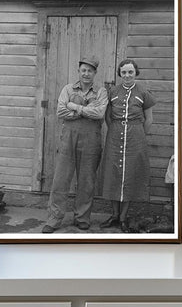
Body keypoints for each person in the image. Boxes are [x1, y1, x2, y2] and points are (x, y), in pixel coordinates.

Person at [42, 56, 108, 234]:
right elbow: (61, 110)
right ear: (79, 72)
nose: (86, 74)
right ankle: (54, 219)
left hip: (91, 140)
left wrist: (75, 107)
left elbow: (100, 113)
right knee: (60, 180)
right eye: (83, 70)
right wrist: (85, 111)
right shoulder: (67, 89)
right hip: (68, 138)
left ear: (95, 73)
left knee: (87, 181)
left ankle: (82, 218)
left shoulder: (101, 92)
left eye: (90, 71)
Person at [100, 59, 156, 233]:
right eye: (123, 72)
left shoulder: (143, 93)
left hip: (135, 136)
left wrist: (138, 135)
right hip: (115, 135)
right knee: (113, 173)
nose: (127, 76)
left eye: (130, 72)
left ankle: (123, 218)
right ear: (120, 74)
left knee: (130, 175)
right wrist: (116, 130)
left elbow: (149, 120)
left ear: (135, 73)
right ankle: (114, 215)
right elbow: (108, 117)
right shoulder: (113, 92)